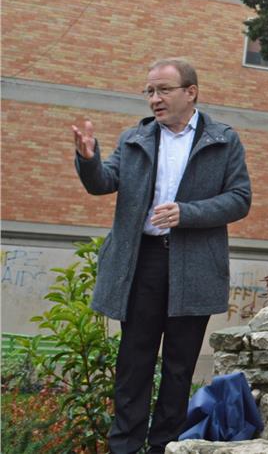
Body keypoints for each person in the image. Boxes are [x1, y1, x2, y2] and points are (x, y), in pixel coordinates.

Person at [71, 58, 252, 454]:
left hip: (195, 265)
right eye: (150, 91)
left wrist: (187, 213)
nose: (155, 98)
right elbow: (103, 182)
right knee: (133, 362)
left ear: (191, 92)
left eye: (164, 90)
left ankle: (164, 447)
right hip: (143, 261)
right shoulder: (134, 139)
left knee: (179, 366)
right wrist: (88, 158)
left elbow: (240, 199)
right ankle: (124, 447)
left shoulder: (223, 140)